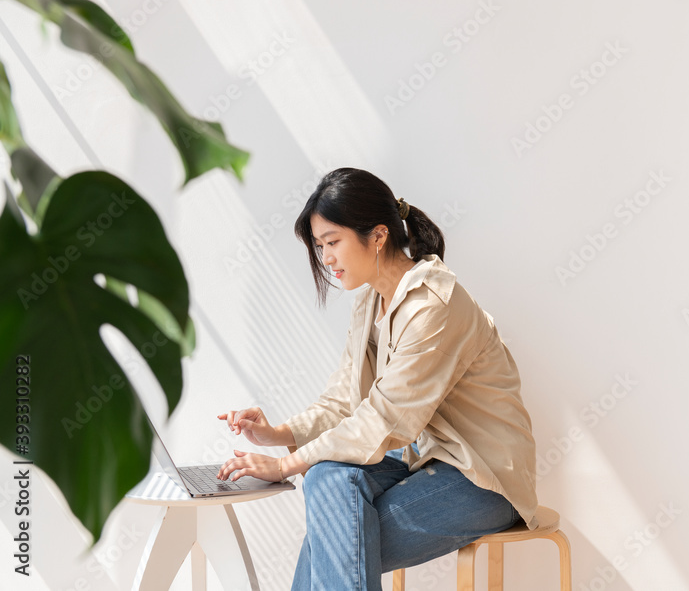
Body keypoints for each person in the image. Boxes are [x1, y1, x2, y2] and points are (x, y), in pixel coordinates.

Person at [216, 167, 539, 590]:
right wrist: (277, 433)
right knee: (326, 479)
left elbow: (388, 418)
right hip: (422, 462)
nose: (326, 258)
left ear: (379, 235)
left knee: (331, 536)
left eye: (333, 242)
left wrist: (285, 464)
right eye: (319, 246)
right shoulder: (372, 301)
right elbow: (345, 400)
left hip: (483, 480)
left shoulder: (433, 305)